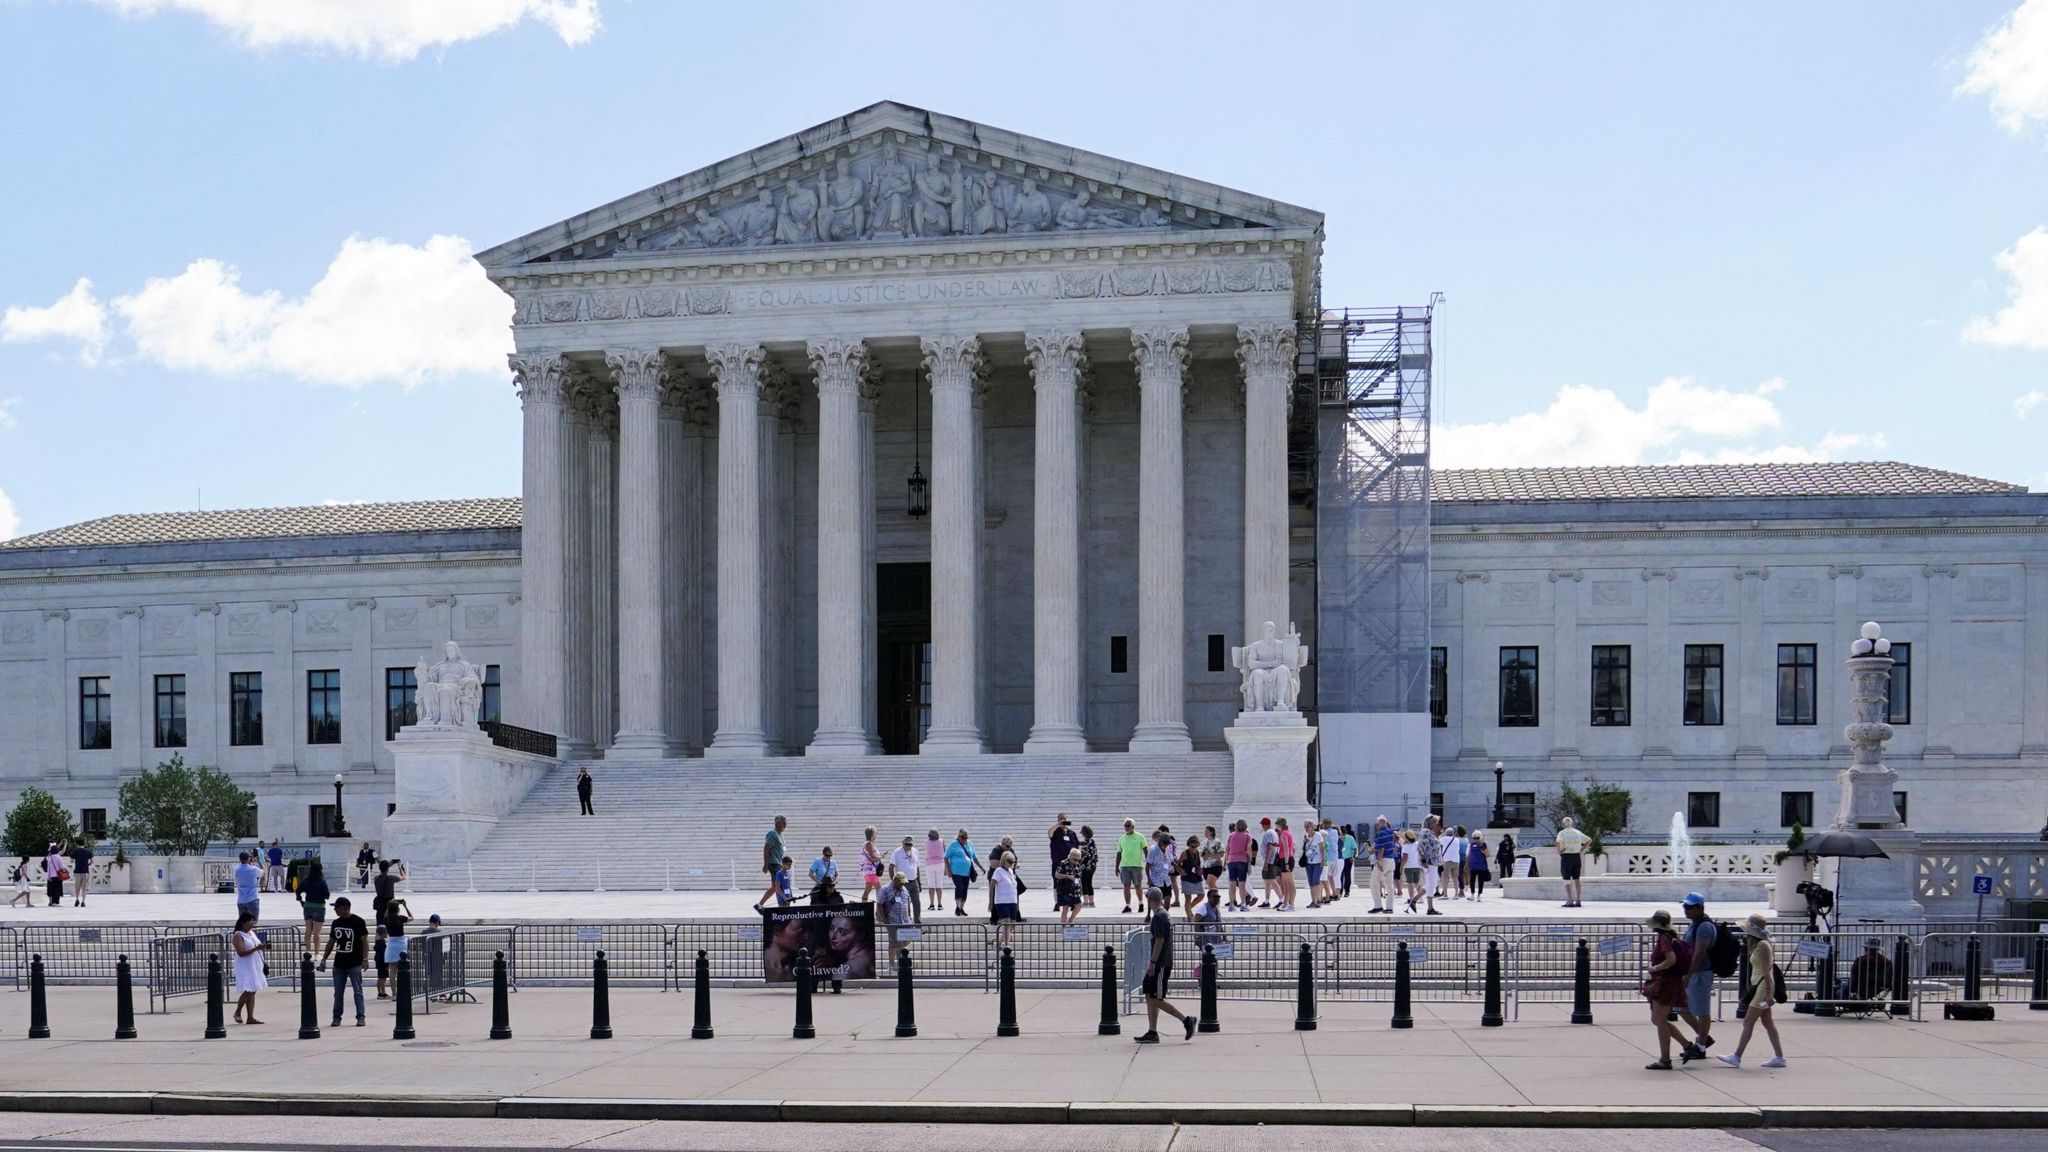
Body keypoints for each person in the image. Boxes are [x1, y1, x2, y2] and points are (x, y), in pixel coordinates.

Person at [1719, 914, 1788, 1069]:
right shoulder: (1760, 944)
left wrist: (1769, 993)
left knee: (1748, 1021)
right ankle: (1779, 1056)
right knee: (1767, 1022)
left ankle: (1737, 1056)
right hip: (1760, 986)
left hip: (1763, 988)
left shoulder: (1763, 945)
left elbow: (1766, 971)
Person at [1134, 887, 1197, 1043]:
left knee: (1156, 998)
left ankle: (1186, 1020)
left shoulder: (1159, 917)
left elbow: (1160, 940)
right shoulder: (1164, 914)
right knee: (1150, 994)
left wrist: (1152, 962)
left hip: (1160, 963)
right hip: (1162, 961)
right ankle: (1152, 1031)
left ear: (1150, 900)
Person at [1641, 909, 1690, 1070]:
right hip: (1668, 982)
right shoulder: (1670, 937)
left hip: (1665, 982)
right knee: (1657, 1019)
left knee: (1659, 1020)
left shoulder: (1664, 939)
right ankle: (1686, 1045)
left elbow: (1671, 960)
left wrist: (1654, 968)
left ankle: (1665, 1059)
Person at [1677, 892, 1718, 1062]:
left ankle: (1700, 1046)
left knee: (1701, 1010)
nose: (1686, 910)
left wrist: (1689, 973)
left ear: (1700, 907)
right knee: (1682, 1008)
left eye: (1690, 907)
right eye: (1685, 906)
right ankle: (1703, 1037)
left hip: (1700, 973)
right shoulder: (1695, 924)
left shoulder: (1704, 927)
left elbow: (1699, 952)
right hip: (1693, 972)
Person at [319, 895, 369, 1027]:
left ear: (346, 908)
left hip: (354, 962)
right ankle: (336, 1017)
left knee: (357, 990)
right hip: (339, 963)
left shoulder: (358, 922)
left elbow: (364, 941)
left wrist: (365, 958)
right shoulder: (336, 923)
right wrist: (324, 958)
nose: (336, 910)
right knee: (338, 992)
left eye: (338, 908)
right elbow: (331, 941)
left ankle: (360, 1016)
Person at [230, 912, 268, 1025]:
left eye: (253, 922)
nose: (252, 924)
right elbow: (241, 952)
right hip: (245, 965)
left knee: (253, 989)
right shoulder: (238, 935)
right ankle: (237, 1012)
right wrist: (256, 948)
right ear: (243, 923)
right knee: (248, 990)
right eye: (250, 922)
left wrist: (262, 947)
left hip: (255, 964)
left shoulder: (251, 933)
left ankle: (250, 1017)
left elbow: (257, 946)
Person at [877, 873, 916, 963]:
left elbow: (908, 903)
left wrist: (909, 917)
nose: (902, 884)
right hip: (893, 921)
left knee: (908, 939)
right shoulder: (885, 889)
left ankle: (900, 959)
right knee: (894, 943)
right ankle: (892, 963)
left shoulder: (904, 889)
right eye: (901, 882)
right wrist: (885, 920)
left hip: (905, 921)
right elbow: (879, 905)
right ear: (895, 880)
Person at [1845, 937, 1896, 1002]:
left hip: (1859, 987)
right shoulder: (1887, 961)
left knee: (1840, 988)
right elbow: (1890, 976)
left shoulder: (1860, 960)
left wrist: (1851, 987)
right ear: (1878, 949)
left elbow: (1853, 977)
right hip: (1877, 988)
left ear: (1866, 948)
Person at [1555, 817, 1590, 908]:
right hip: (1576, 857)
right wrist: (1582, 848)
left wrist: (1559, 852)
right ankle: (1578, 900)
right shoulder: (1577, 832)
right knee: (1577, 879)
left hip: (1566, 857)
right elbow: (1589, 840)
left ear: (1563, 824)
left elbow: (1558, 843)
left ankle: (1570, 900)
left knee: (1566, 880)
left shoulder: (1562, 833)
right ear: (1572, 823)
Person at [989, 851, 1022, 947]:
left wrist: (1017, 903)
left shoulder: (1011, 871)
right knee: (1006, 923)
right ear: (1004, 860)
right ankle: (1007, 946)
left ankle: (998, 942)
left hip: (1012, 901)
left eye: (1013, 861)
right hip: (1002, 901)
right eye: (1009, 860)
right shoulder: (998, 871)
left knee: (1012, 925)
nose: (1012, 862)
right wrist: (990, 902)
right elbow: (992, 886)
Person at [756, 815, 788, 911]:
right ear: (778, 823)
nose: (785, 825)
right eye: (783, 822)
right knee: (776, 886)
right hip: (773, 863)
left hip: (779, 863)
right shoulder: (773, 834)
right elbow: (766, 849)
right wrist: (766, 864)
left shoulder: (780, 834)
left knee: (776, 886)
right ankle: (760, 905)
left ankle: (762, 905)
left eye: (785, 822)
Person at [381, 895, 413, 991]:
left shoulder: (386, 919)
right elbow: (411, 917)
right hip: (401, 944)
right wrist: (405, 906)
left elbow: (386, 915)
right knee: (403, 969)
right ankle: (403, 990)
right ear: (397, 909)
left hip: (391, 945)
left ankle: (394, 993)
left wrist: (389, 906)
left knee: (392, 971)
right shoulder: (401, 918)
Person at [299, 857, 330, 954]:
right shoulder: (322, 881)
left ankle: (308, 952)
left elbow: (298, 891)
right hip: (319, 907)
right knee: (316, 933)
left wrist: (301, 901)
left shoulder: (306, 880)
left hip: (307, 906)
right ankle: (317, 953)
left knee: (308, 930)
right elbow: (327, 896)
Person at [945, 829, 979, 917]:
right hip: (956, 871)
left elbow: (974, 856)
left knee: (965, 890)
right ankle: (957, 907)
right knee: (959, 887)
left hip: (967, 872)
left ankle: (961, 908)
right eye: (963, 838)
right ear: (959, 836)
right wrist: (948, 870)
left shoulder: (969, 843)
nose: (965, 840)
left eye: (966, 838)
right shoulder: (953, 844)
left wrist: (980, 867)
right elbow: (946, 857)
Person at [888, 835, 922, 924]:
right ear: (903, 843)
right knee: (905, 904)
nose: (909, 846)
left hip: (913, 881)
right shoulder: (897, 852)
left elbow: (917, 867)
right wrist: (893, 881)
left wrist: (919, 882)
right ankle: (908, 924)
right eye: (907, 844)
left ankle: (918, 924)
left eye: (910, 844)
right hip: (902, 882)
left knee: (917, 903)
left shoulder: (915, 851)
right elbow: (891, 867)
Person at [1414, 816, 1444, 915]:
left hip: (1433, 862)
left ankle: (1415, 900)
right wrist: (1423, 860)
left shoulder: (1430, 833)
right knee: (1431, 884)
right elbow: (1420, 846)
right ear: (1430, 823)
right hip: (1429, 862)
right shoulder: (1426, 832)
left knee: (1433, 884)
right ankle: (1429, 908)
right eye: (1435, 823)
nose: (1437, 825)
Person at [1116, 819, 1147, 914]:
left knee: (1137, 885)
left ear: (1133, 826)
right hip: (1124, 865)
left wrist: (1149, 862)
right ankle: (1128, 906)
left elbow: (1146, 850)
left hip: (1136, 865)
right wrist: (1116, 866)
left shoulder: (1140, 837)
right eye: (1125, 825)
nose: (1126, 827)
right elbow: (1119, 853)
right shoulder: (1121, 838)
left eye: (1128, 825)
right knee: (1126, 886)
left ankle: (1141, 903)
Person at [1370, 816, 1398, 914]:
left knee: (1374, 884)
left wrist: (1378, 861)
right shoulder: (1391, 832)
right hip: (1391, 860)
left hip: (1383, 860)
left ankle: (1378, 906)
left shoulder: (1380, 833)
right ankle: (1389, 908)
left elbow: (1381, 848)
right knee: (1389, 886)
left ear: (1378, 824)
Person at [1300, 819, 1326, 909]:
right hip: (1308, 862)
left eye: (1308, 826)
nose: (1306, 828)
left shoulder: (1318, 835)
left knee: (1316, 881)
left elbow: (1322, 848)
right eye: (1305, 827)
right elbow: (1304, 849)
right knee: (1311, 882)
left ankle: (1316, 900)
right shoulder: (1306, 836)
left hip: (1317, 862)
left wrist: (1323, 860)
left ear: (1312, 827)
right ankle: (1313, 900)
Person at [1273, 818, 1297, 911]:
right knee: (1287, 884)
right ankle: (1286, 903)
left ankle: (1289, 904)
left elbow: (1287, 849)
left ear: (1280, 825)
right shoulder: (1288, 833)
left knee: (1288, 884)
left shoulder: (1283, 834)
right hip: (1287, 859)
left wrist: (1286, 862)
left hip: (1286, 859)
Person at [1177, 838, 1204, 920]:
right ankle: (1189, 916)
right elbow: (1178, 863)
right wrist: (1181, 870)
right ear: (1189, 845)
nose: (1194, 848)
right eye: (1192, 846)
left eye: (1196, 846)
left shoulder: (1197, 853)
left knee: (1201, 895)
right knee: (1188, 897)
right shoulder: (1185, 853)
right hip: (1187, 877)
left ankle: (1189, 908)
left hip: (1196, 877)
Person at [1055, 846, 1083, 925]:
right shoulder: (1063, 863)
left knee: (1079, 906)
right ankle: (1063, 926)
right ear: (1070, 857)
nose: (1076, 861)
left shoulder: (1078, 864)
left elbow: (1079, 877)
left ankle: (1070, 921)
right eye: (1075, 859)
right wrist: (1067, 876)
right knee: (1065, 908)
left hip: (1075, 890)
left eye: (1078, 859)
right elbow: (1057, 875)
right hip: (1065, 889)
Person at [921, 829, 947, 914]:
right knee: (939, 884)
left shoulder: (926, 842)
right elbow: (945, 852)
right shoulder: (942, 841)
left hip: (930, 864)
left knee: (931, 884)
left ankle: (931, 904)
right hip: (940, 863)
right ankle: (940, 904)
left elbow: (924, 849)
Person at [1256, 817, 1280, 908]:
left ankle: (1281, 899)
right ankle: (1267, 901)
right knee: (1267, 882)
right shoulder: (1272, 832)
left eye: (1262, 824)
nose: (1261, 826)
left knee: (1272, 881)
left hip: (1269, 861)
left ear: (1264, 825)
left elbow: (1269, 848)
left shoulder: (1268, 833)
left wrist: (1266, 863)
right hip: (1270, 860)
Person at [233, 850, 262, 922]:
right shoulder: (253, 869)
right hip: (252, 899)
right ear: (248, 859)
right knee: (253, 922)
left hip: (241, 900)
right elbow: (263, 872)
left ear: (240, 859)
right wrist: (259, 862)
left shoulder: (236, 869)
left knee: (243, 923)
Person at [1400, 830, 1423, 913]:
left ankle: (1411, 897)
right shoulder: (1417, 844)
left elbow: (1404, 859)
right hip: (1417, 865)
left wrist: (1401, 867)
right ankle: (1420, 898)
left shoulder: (1406, 846)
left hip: (1409, 866)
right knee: (1417, 883)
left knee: (1410, 883)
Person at [1200, 825, 1225, 899]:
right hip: (1206, 866)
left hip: (1216, 865)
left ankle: (1216, 899)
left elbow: (1221, 854)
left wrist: (1210, 855)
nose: (1205, 833)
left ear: (1212, 832)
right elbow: (1202, 854)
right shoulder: (1204, 842)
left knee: (1211, 882)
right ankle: (1213, 898)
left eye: (1207, 831)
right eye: (1205, 831)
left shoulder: (1217, 842)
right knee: (1209, 883)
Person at [859, 829, 883, 902]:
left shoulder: (867, 843)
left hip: (870, 871)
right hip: (871, 870)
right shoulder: (869, 843)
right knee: (870, 889)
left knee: (877, 889)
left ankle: (878, 909)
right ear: (873, 834)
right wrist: (881, 856)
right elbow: (873, 857)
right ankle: (865, 907)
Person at [1078, 825, 1099, 909]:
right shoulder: (1093, 842)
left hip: (1084, 866)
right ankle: (1092, 902)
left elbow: (1079, 854)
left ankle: (1086, 902)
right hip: (1092, 866)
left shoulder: (1082, 843)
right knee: (1089, 883)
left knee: (1084, 883)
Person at [1466, 832, 1491, 902]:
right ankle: (1472, 895)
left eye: (1477, 838)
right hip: (1473, 866)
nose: (1476, 840)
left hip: (1481, 866)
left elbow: (1488, 855)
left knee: (1481, 881)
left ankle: (1479, 895)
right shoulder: (1472, 844)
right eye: (1474, 838)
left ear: (1480, 837)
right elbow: (1469, 855)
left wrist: (1484, 852)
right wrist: (1466, 864)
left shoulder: (1483, 845)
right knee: (1472, 881)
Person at [67, 839, 92, 907]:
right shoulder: (88, 851)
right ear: (84, 844)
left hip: (77, 871)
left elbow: (71, 861)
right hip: (86, 872)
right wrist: (87, 865)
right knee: (84, 888)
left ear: (77, 844)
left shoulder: (75, 851)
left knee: (77, 887)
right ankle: (83, 902)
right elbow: (92, 861)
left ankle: (77, 899)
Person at [371, 858, 395, 923]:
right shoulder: (391, 878)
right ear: (388, 869)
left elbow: (382, 870)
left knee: (380, 922)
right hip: (389, 904)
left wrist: (387, 865)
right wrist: (400, 867)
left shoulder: (376, 878)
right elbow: (403, 877)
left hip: (380, 904)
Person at [43, 842, 65, 907]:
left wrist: (49, 876)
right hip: (58, 875)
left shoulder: (49, 858)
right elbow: (61, 866)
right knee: (58, 889)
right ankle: (56, 902)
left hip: (51, 876)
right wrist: (64, 869)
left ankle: (53, 902)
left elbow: (49, 868)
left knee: (53, 889)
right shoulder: (58, 857)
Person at [1339, 824, 1358, 898]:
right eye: (1342, 834)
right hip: (1340, 858)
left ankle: (1347, 891)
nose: (1343, 836)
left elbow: (1355, 848)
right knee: (1340, 875)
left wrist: (1353, 857)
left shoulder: (1350, 838)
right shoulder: (1338, 838)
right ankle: (1340, 891)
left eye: (1344, 834)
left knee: (1347, 875)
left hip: (1348, 858)